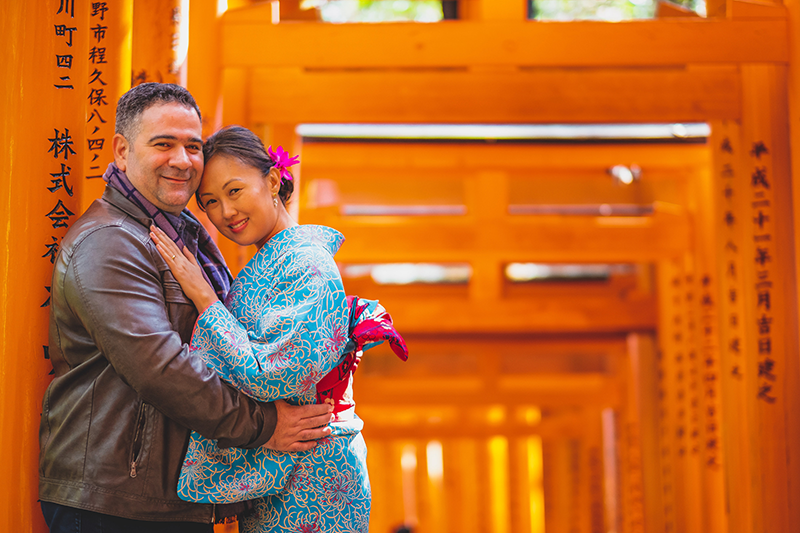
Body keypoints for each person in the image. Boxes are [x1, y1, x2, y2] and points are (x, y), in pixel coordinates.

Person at [39, 83, 336, 533]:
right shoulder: (109, 242)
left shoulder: (184, 236)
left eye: (192, 146)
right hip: (115, 500)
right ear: (122, 150)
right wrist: (265, 426)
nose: (182, 160)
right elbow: (160, 367)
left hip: (167, 499)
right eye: (163, 144)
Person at [149, 125, 408, 533]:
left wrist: (206, 301)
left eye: (234, 191)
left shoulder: (309, 264)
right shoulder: (269, 263)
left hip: (317, 472)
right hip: (289, 464)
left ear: (271, 179)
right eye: (210, 202)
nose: (225, 213)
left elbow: (279, 374)